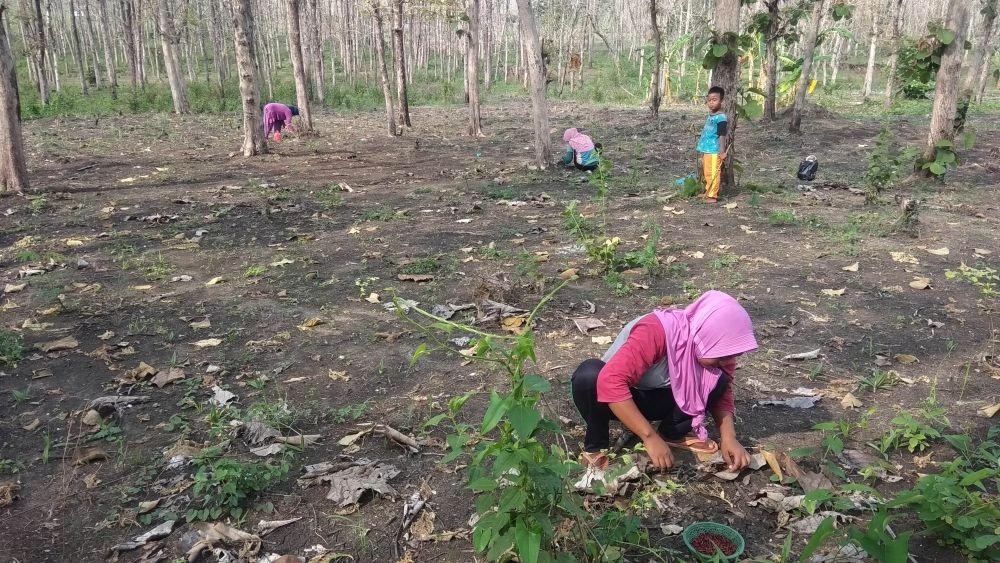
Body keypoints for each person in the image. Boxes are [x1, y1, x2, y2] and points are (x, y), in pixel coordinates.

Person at [570, 290, 756, 472]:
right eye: (723, 356)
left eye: (733, 355)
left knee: (719, 381)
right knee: (589, 375)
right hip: (618, 399)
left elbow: (723, 392)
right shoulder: (657, 330)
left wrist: (729, 437)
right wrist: (648, 437)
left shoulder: (720, 351)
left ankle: (671, 434)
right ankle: (596, 447)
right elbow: (611, 382)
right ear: (706, 336)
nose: (728, 361)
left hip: (662, 398)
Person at [697, 86, 728, 203]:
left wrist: (722, 151)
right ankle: (708, 191)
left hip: (715, 150)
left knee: (714, 172)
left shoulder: (721, 118)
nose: (711, 103)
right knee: (707, 172)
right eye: (709, 100)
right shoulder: (711, 115)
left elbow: (722, 135)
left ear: (721, 101)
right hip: (707, 149)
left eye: (714, 100)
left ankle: (712, 196)